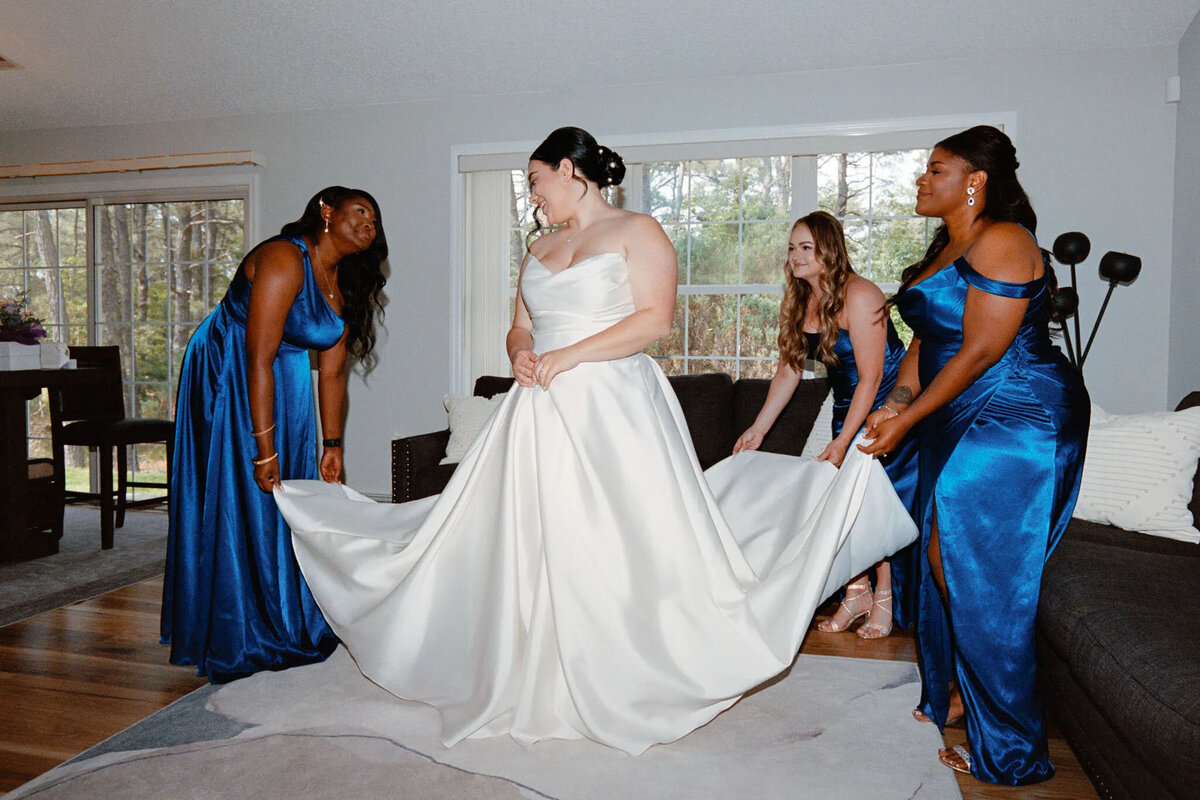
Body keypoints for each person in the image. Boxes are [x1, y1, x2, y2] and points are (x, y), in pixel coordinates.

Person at [272, 127, 917, 755]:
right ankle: (531, 659)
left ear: (570, 171)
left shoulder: (639, 232)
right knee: (526, 536)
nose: (532, 195)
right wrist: (524, 356)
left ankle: (626, 661)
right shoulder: (538, 250)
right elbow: (518, 329)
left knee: (616, 536)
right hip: (537, 409)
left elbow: (653, 320)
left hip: (614, 408)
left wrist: (570, 355)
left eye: (534, 179)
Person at [859, 126, 1088, 785]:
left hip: (1018, 409)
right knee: (940, 549)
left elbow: (984, 349)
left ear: (975, 180)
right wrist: (899, 399)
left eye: (935, 170)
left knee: (968, 560)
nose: (921, 181)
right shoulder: (944, 247)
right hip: (956, 404)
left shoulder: (1004, 239)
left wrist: (911, 420)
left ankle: (1013, 745)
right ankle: (961, 695)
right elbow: (930, 342)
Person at [162, 186, 388, 683]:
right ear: (326, 212)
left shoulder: (340, 281)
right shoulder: (285, 258)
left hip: (284, 379)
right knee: (247, 492)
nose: (369, 227)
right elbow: (256, 357)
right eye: (360, 214)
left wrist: (332, 447)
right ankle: (237, 629)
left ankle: (287, 619)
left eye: (374, 223)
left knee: (292, 496)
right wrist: (264, 449)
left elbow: (331, 374)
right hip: (229, 372)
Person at [734, 210, 918, 639]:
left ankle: (884, 598)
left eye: (806, 248)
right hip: (845, 407)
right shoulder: (801, 300)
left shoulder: (862, 294)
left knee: (869, 503)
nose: (795, 256)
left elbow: (873, 376)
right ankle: (856, 591)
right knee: (838, 501)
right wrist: (758, 428)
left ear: (828, 250)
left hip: (885, 410)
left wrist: (848, 441)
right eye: (791, 248)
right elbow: (789, 372)